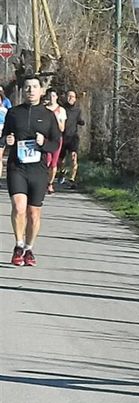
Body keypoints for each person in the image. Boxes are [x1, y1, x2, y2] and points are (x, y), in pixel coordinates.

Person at [1, 75, 61, 266]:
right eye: (27, 87)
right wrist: (7, 141)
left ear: (41, 91)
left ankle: (29, 248)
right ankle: (18, 245)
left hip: (38, 169)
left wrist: (44, 144)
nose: (30, 90)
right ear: (23, 91)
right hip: (17, 167)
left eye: (34, 87)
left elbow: (55, 143)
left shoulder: (48, 115)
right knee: (18, 207)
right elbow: (4, 137)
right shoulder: (13, 113)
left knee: (33, 213)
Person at [59, 90, 84, 186]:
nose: (70, 98)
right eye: (69, 96)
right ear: (65, 97)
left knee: (74, 158)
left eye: (72, 96)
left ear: (75, 99)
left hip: (73, 137)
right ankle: (62, 172)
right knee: (61, 161)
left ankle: (72, 179)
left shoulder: (78, 110)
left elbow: (79, 120)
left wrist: (81, 122)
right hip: (62, 136)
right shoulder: (61, 109)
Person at [44, 88, 66, 194]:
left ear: (57, 97)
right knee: (46, 161)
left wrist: (55, 120)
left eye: (53, 95)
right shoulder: (44, 109)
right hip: (45, 138)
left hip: (57, 138)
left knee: (53, 163)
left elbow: (62, 128)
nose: (51, 98)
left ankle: (50, 184)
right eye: (49, 96)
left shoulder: (61, 110)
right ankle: (43, 181)